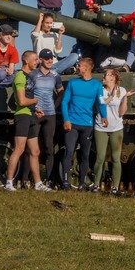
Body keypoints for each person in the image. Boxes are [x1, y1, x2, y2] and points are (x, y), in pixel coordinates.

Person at [4, 51, 50, 192]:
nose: (37, 61)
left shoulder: (30, 77)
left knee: (35, 151)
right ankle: (9, 183)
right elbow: (22, 101)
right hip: (22, 116)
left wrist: (35, 108)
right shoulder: (20, 77)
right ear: (26, 61)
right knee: (19, 149)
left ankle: (38, 183)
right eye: (35, 59)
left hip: (31, 115)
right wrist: (36, 100)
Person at [60, 57, 103, 191]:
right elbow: (64, 102)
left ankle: (82, 183)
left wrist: (105, 117)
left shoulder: (97, 85)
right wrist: (66, 119)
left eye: (80, 66)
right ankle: (66, 182)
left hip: (87, 124)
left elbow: (100, 103)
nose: (77, 67)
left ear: (87, 68)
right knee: (69, 151)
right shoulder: (73, 83)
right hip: (72, 123)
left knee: (85, 154)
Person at [91, 68, 129, 194]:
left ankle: (115, 186)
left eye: (106, 75)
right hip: (100, 127)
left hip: (116, 128)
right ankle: (96, 184)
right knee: (100, 157)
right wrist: (112, 96)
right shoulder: (100, 90)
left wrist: (124, 99)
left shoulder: (121, 90)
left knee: (116, 158)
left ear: (113, 77)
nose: (104, 77)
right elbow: (100, 104)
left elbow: (122, 112)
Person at [30, 49, 64, 185]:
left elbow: (61, 92)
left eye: (51, 58)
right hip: (36, 114)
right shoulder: (33, 75)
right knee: (32, 149)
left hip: (50, 115)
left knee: (49, 148)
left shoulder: (55, 75)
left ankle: (49, 180)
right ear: (41, 59)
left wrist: (54, 106)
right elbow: (27, 93)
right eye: (46, 58)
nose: (50, 61)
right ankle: (28, 179)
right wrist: (34, 108)